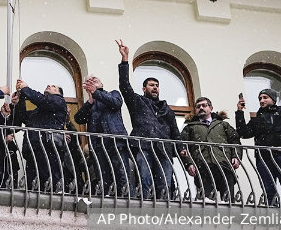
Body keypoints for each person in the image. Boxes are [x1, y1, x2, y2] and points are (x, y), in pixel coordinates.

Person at [116, 39, 182, 200]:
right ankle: (145, 207)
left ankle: (164, 211)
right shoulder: (138, 102)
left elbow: (175, 132)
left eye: (157, 85)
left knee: (165, 183)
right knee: (145, 180)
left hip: (164, 150)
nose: (155, 87)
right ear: (144, 89)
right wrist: (125, 60)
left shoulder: (167, 110)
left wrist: (181, 150)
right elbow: (124, 86)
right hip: (143, 147)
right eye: (151, 85)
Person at [236, 62, 281, 207]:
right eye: (260, 98)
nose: (261, 100)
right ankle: (272, 211)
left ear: (273, 99)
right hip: (263, 156)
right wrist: (239, 113)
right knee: (268, 189)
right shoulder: (257, 119)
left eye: (265, 97)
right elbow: (243, 133)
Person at [74, 76, 132, 197]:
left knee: (122, 175)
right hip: (98, 146)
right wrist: (90, 101)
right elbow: (79, 119)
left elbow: (116, 103)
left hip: (116, 142)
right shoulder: (91, 103)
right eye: (90, 81)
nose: (92, 82)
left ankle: (126, 201)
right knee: (103, 177)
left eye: (95, 80)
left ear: (102, 84)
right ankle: (107, 202)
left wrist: (96, 93)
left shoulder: (113, 94)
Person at [180, 97, 242, 202]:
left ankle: (228, 219)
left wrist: (236, 156)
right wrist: (188, 163)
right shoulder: (190, 127)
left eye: (204, 105)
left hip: (224, 165)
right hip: (202, 167)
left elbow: (235, 141)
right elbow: (183, 147)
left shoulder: (223, 124)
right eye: (198, 106)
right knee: (206, 202)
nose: (201, 108)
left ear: (211, 108)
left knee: (228, 201)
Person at [16, 80, 67, 192]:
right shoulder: (39, 111)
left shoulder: (59, 101)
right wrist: (20, 100)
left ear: (59, 93)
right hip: (34, 148)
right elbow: (25, 117)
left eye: (53, 86)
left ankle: (51, 204)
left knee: (49, 179)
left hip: (48, 147)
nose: (49, 85)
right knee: (33, 183)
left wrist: (25, 89)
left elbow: (43, 101)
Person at [0, 92, 22, 189]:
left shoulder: (14, 110)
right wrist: (4, 137)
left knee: (12, 176)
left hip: (10, 151)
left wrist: (16, 105)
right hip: (0, 151)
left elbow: (17, 125)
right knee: (1, 179)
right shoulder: (2, 114)